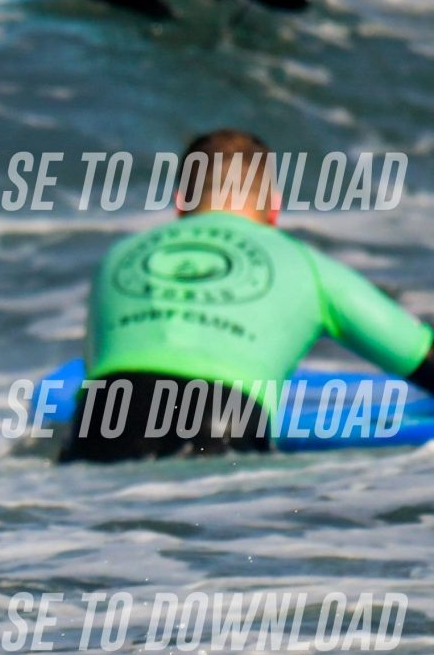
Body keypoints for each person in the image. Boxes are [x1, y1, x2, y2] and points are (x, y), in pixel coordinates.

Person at [63, 128, 434, 462]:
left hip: (104, 415)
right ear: (274, 208)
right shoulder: (306, 264)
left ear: (180, 204)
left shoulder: (119, 256)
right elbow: (421, 358)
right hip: (221, 418)